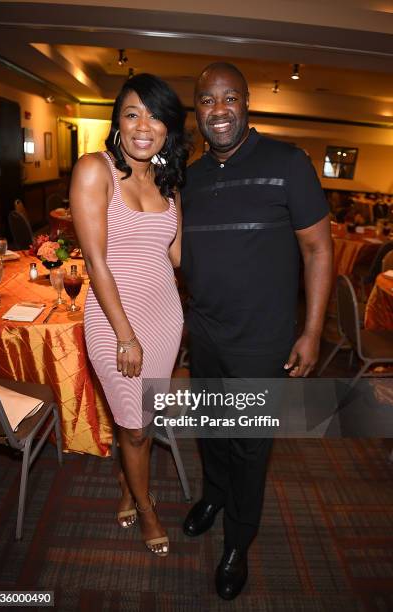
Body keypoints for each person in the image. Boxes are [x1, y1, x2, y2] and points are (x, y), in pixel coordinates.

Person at [180, 63, 333, 600]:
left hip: (261, 341)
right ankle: (214, 495)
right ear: (196, 111)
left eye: (229, 99)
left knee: (248, 445)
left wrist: (312, 332)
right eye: (206, 101)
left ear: (247, 104)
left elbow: (318, 250)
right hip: (205, 333)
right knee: (212, 429)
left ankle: (238, 540)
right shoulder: (191, 176)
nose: (218, 111)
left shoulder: (288, 163)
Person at [70, 74, 188, 557]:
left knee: (137, 418)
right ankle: (146, 507)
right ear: (117, 121)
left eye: (156, 116)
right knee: (137, 426)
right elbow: (96, 260)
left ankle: (127, 483)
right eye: (133, 113)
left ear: (168, 129)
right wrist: (125, 336)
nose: (145, 125)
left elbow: (176, 257)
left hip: (165, 316)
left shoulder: (165, 181)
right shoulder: (94, 169)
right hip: (116, 320)